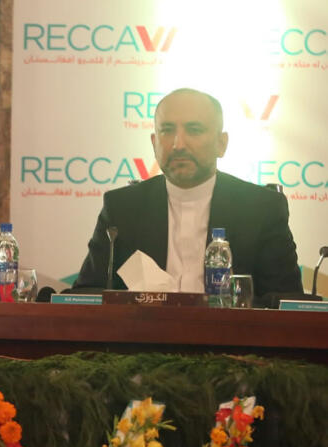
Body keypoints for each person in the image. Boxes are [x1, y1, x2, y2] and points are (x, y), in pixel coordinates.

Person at [73, 87, 302, 297]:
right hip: (145, 339)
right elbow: (86, 294)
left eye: (194, 130)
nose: (178, 144)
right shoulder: (123, 207)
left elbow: (286, 302)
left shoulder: (261, 208)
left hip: (230, 338)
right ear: (154, 144)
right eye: (167, 130)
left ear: (221, 144)